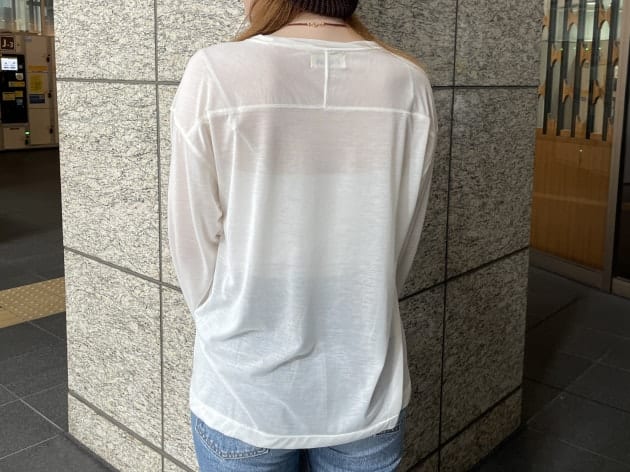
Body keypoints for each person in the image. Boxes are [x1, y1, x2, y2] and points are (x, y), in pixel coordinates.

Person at [167, 0, 438, 470]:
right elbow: (402, 238)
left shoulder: (216, 72)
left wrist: (223, 317)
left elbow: (192, 242)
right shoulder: (408, 82)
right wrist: (361, 307)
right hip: (366, 383)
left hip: (244, 391)